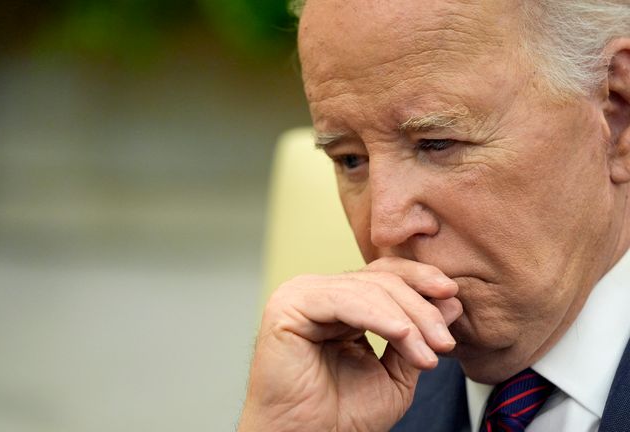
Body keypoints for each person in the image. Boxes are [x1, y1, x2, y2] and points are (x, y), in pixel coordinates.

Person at [237, 1, 630, 431]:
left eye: (437, 144)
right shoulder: (354, 408)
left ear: (617, 113)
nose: (383, 228)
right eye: (350, 160)